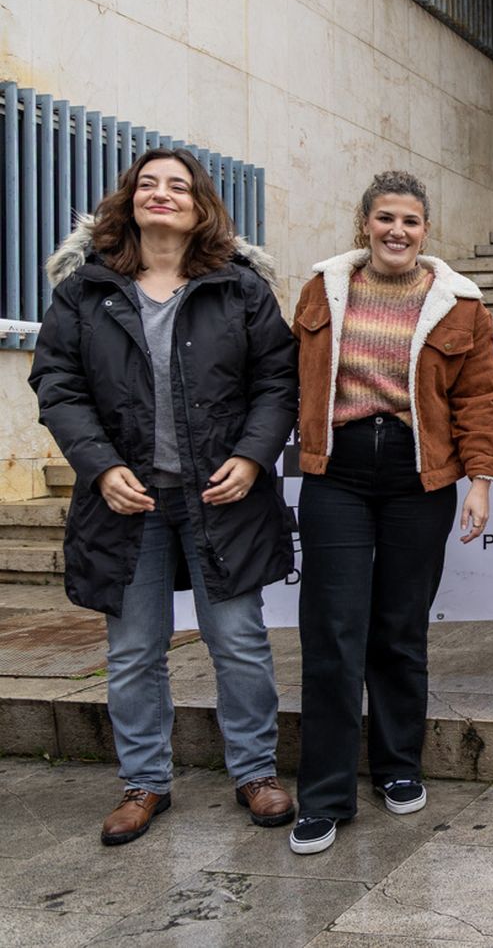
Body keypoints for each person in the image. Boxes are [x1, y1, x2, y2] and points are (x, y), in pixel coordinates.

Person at [29, 148, 298, 846]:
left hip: (223, 496)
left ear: (199, 204)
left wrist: (251, 454)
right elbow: (58, 383)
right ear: (128, 200)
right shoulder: (85, 290)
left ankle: (257, 772)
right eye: (148, 183)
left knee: (237, 641)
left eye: (177, 185)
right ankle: (144, 781)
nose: (161, 193)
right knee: (133, 649)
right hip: (127, 502)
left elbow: (278, 379)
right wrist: (98, 465)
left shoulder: (238, 287)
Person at [289, 171, 493, 855]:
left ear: (425, 230)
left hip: (421, 477)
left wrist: (481, 479)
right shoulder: (322, 288)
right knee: (332, 634)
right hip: (336, 475)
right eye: (386, 218)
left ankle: (398, 766)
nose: (397, 231)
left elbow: (477, 398)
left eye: (410, 221)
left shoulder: (461, 304)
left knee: (400, 628)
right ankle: (323, 794)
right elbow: (289, 375)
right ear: (365, 224)